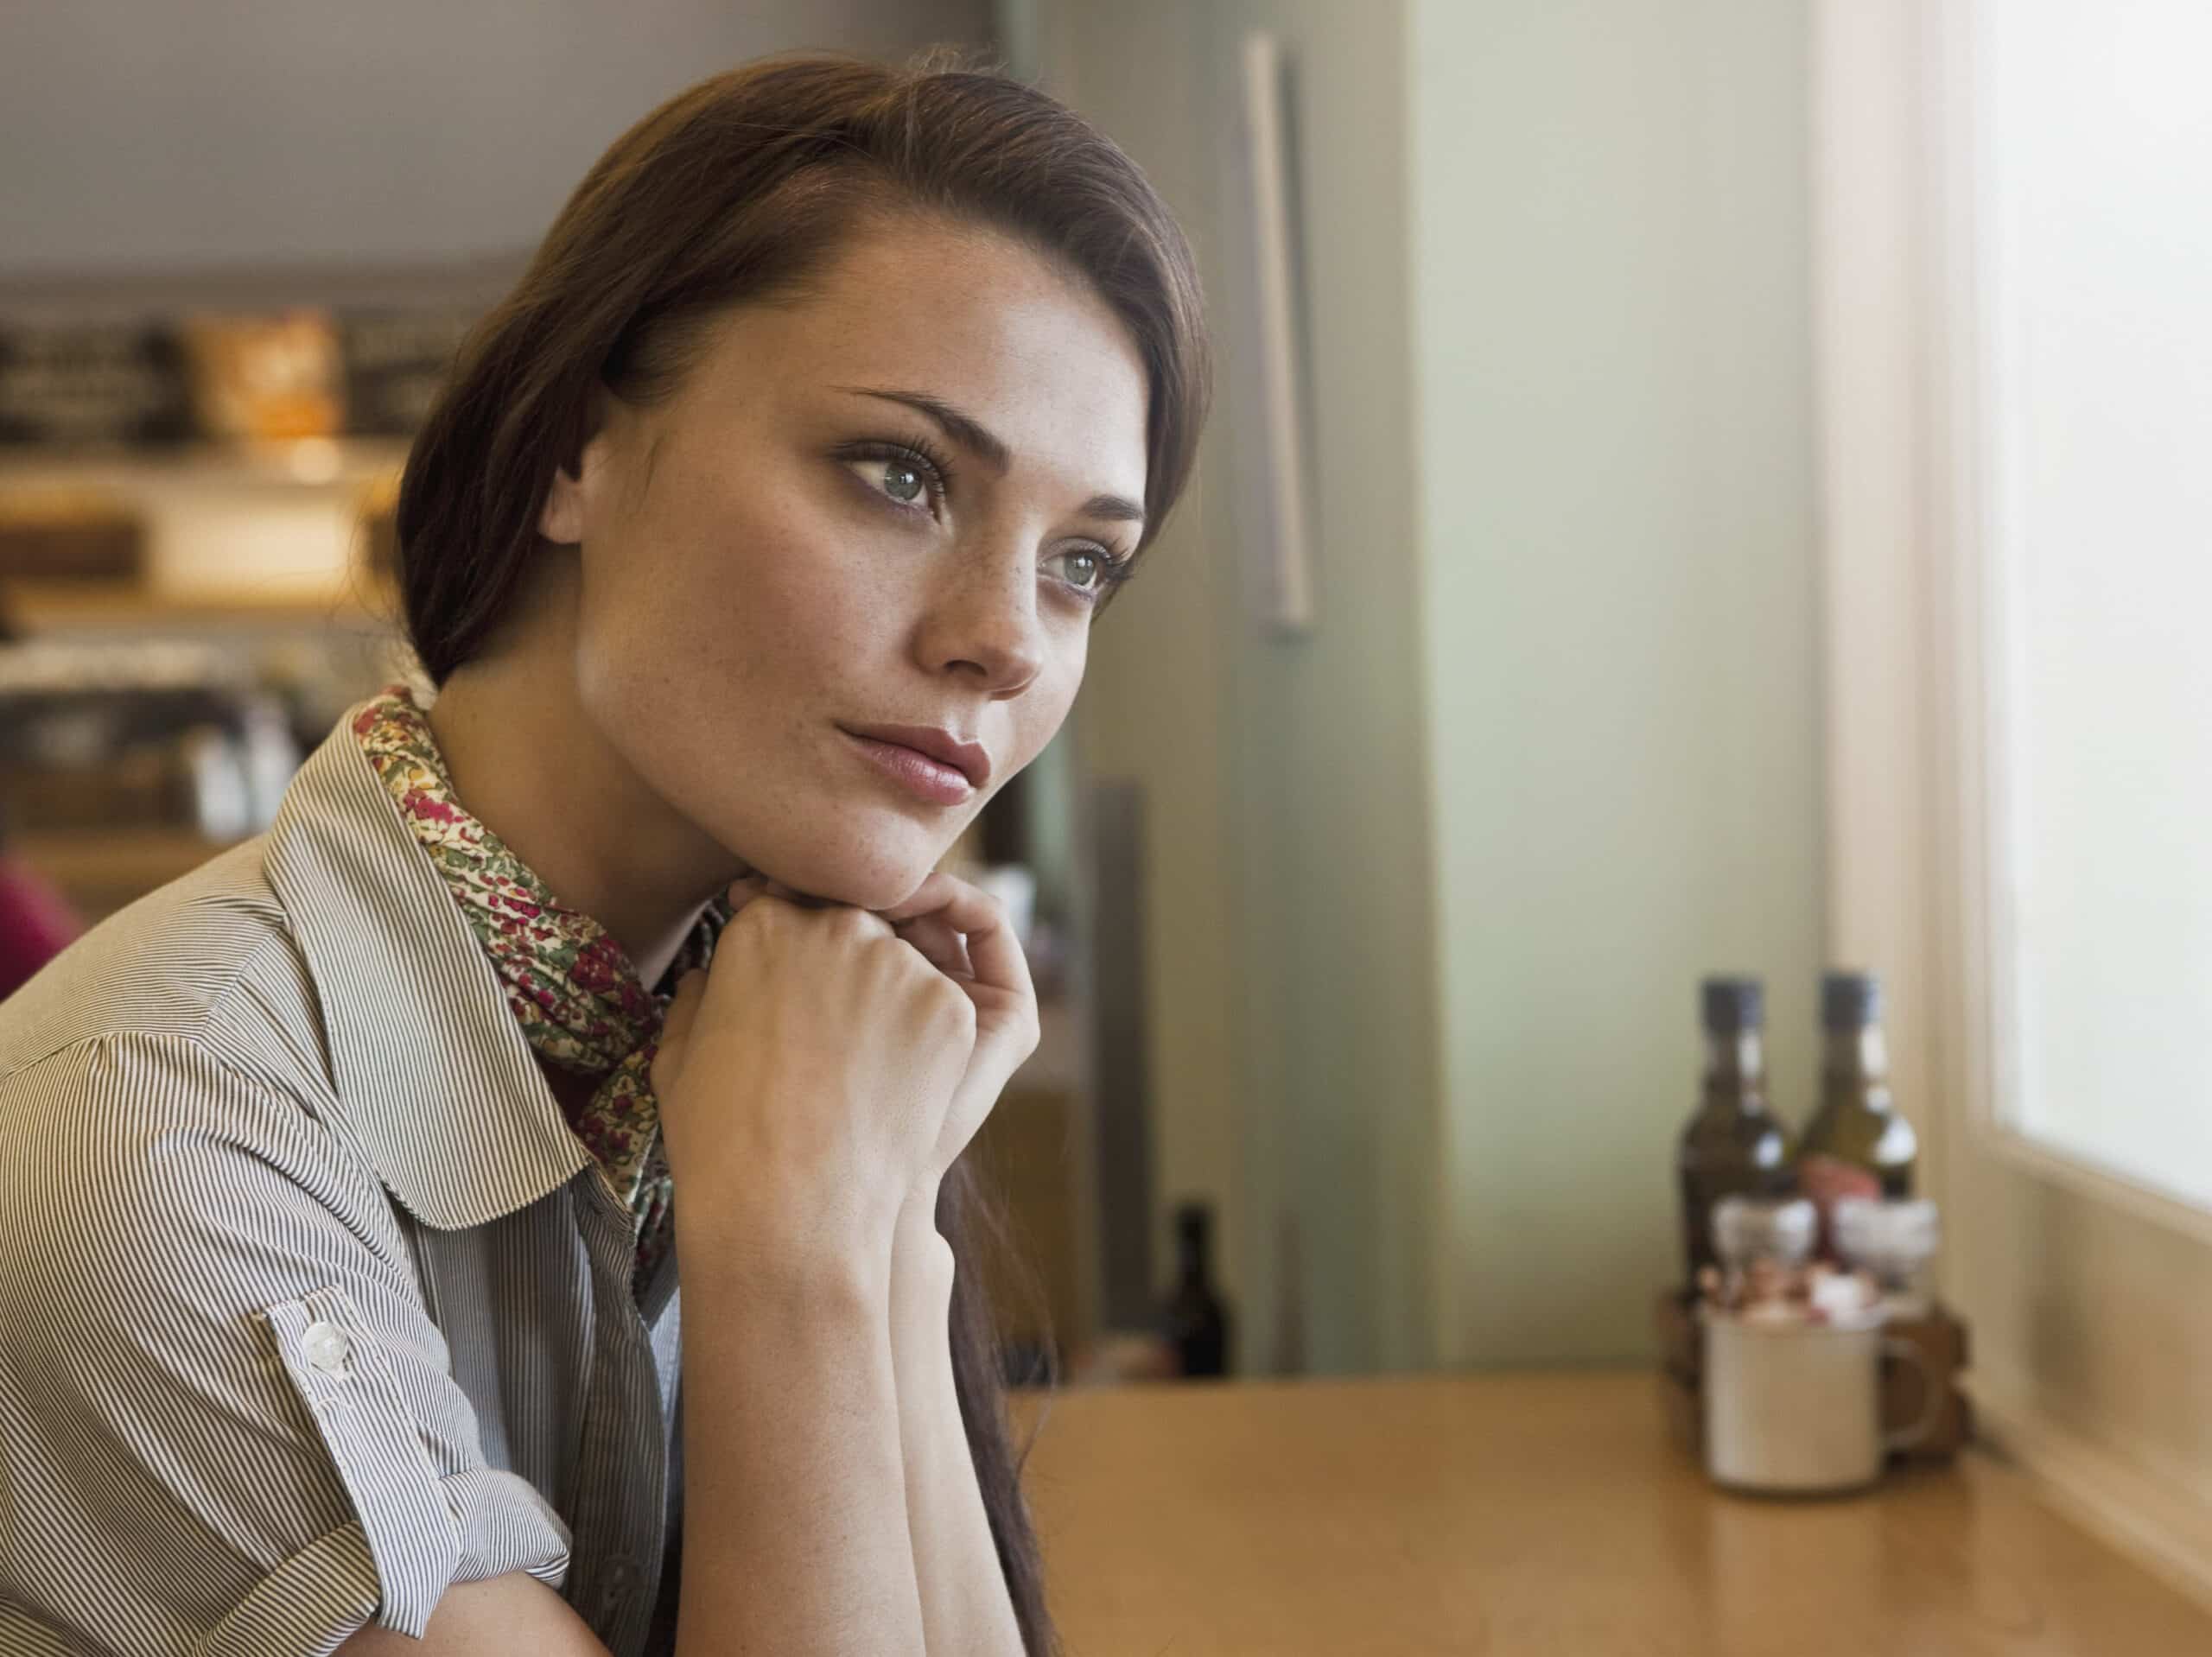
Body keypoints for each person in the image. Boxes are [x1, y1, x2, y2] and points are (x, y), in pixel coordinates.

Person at [0, 47, 1209, 1657]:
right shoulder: (152, 1143)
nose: (1003, 640)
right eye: (900, 474)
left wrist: (878, 1203)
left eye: (1079, 566)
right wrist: (794, 1251)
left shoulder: (768, 1038)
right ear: (578, 450)